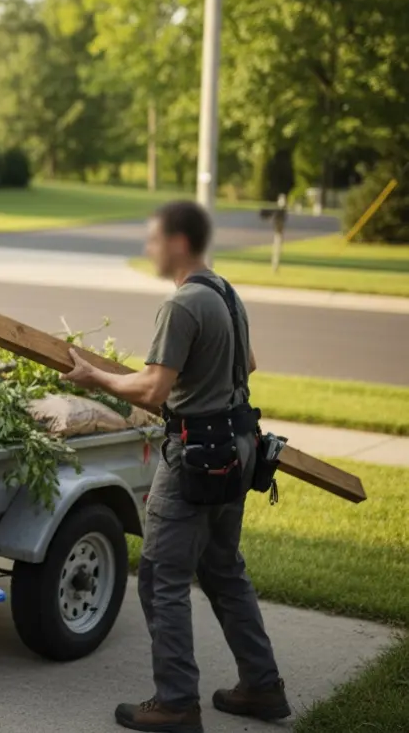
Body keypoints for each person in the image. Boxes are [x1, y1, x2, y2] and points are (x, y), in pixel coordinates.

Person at [61, 201, 289, 733]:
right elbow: (248, 364)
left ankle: (176, 703)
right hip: (239, 446)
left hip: (197, 453)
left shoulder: (183, 304)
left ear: (179, 242)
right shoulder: (226, 293)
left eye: (154, 239)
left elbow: (153, 388)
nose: (149, 249)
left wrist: (95, 377)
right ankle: (262, 687)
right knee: (222, 568)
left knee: (162, 576)